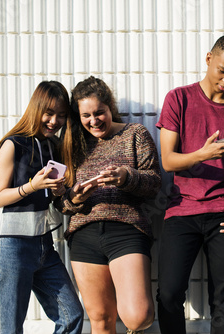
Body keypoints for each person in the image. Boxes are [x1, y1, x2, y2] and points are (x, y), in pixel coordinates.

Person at [155, 35, 224, 334]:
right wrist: (204, 153)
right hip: (181, 209)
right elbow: (168, 161)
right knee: (170, 294)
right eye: (222, 71)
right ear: (208, 59)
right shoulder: (179, 98)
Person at [56, 76, 161, 334]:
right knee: (101, 320)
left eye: (99, 112)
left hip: (126, 229)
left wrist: (127, 178)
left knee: (138, 316)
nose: (94, 121)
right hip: (84, 233)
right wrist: (75, 198)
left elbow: (154, 183)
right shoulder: (71, 144)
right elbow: (61, 203)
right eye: (86, 115)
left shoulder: (134, 134)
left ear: (110, 107)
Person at [0, 81, 84, 334]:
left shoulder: (53, 147)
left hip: (44, 244)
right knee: (11, 328)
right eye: (49, 113)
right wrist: (32, 186)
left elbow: (51, 200)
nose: (55, 121)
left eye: (62, 115)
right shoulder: (13, 144)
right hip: (12, 246)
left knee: (72, 316)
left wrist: (60, 192)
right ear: (36, 109)